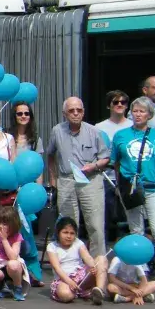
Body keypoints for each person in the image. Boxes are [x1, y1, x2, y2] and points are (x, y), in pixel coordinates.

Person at [46, 96, 109, 258]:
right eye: (71, 111)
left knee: (95, 225)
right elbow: (50, 154)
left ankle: (97, 264)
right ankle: (71, 262)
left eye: (79, 110)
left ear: (84, 112)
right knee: (67, 225)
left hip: (91, 179)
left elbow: (106, 158)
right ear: (64, 113)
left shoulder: (95, 131)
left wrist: (93, 166)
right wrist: (53, 178)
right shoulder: (57, 130)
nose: (75, 113)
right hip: (66, 180)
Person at [109, 97, 155, 263]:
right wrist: (118, 185)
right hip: (130, 188)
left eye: (142, 111)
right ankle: (141, 266)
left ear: (149, 115)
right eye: (135, 111)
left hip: (153, 187)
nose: (138, 115)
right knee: (136, 229)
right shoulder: (121, 135)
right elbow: (115, 163)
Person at [46, 216, 107, 305]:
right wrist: (69, 282)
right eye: (65, 232)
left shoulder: (78, 243)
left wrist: (92, 266)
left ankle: (99, 291)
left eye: (72, 233)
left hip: (81, 276)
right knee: (66, 295)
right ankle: (82, 292)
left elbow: (87, 257)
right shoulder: (52, 246)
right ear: (58, 233)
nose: (69, 236)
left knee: (102, 259)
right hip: (64, 279)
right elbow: (57, 267)